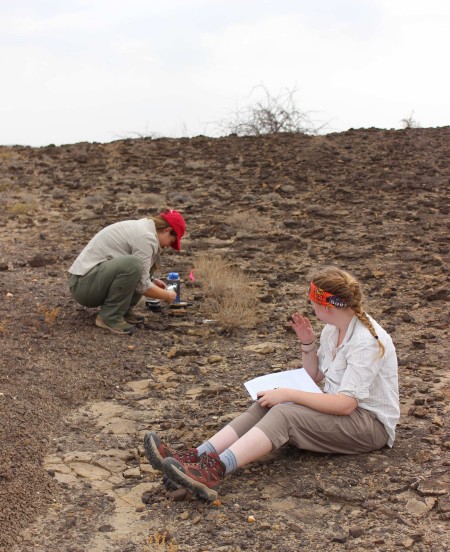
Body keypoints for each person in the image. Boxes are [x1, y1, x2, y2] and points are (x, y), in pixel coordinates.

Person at [144, 265, 400, 501]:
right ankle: (197, 457)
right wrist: (307, 343)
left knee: (285, 413)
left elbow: (345, 405)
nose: (311, 307)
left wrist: (289, 393)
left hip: (370, 426)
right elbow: (315, 376)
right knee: (266, 402)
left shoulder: (365, 340)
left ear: (328, 306)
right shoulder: (334, 328)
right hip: (348, 416)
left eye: (313, 303)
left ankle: (214, 471)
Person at [68, 209, 186, 335]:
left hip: (91, 281)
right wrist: (166, 295)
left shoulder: (145, 229)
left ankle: (123, 310)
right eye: (172, 241)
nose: (169, 246)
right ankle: (110, 316)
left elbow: (140, 276)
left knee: (144, 262)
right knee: (133, 265)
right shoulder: (146, 237)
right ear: (167, 230)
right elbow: (142, 286)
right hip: (83, 287)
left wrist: (152, 281)